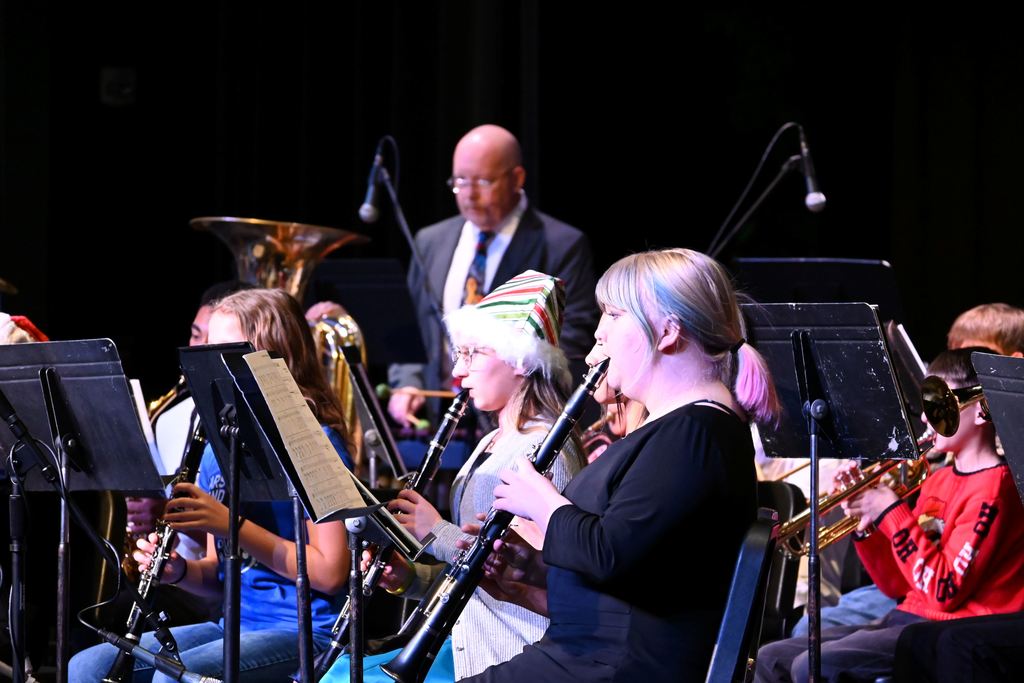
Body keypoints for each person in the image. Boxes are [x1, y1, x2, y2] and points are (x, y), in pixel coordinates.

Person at [453, 248, 779, 682]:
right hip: (590, 658)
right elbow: (634, 582)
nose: (595, 345)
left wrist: (544, 503)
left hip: (612, 670)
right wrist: (530, 572)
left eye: (612, 318)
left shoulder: (696, 433)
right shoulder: (683, 430)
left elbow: (612, 554)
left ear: (667, 332)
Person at [70, 288, 353, 682]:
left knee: (175, 676)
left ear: (264, 356)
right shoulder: (217, 444)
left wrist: (231, 526)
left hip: (304, 632)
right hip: (233, 623)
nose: (206, 368)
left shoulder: (316, 443)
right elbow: (218, 580)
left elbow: (330, 572)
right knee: (86, 666)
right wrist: (179, 571)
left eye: (222, 351)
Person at [325, 270, 585, 682]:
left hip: (508, 651)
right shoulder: (493, 442)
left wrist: (436, 531)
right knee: (338, 672)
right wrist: (410, 578)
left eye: (473, 354)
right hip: (466, 638)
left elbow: (525, 575)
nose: (459, 374)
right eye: (459, 355)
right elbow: (472, 585)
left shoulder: (544, 451)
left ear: (520, 359)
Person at [754, 347, 1024, 683]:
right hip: (909, 614)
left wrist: (893, 513)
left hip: (950, 627)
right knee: (771, 657)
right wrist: (866, 525)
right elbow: (898, 584)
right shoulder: (938, 478)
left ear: (981, 411)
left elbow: (944, 591)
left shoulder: (995, 489)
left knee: (816, 665)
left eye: (937, 403)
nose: (924, 417)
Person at [387, 124, 598, 430]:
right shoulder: (430, 241)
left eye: (483, 181)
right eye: (460, 181)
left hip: (518, 420)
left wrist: (501, 378)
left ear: (517, 179)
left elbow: (573, 335)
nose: (469, 194)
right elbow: (411, 325)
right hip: (437, 419)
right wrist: (407, 382)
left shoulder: (561, 244)